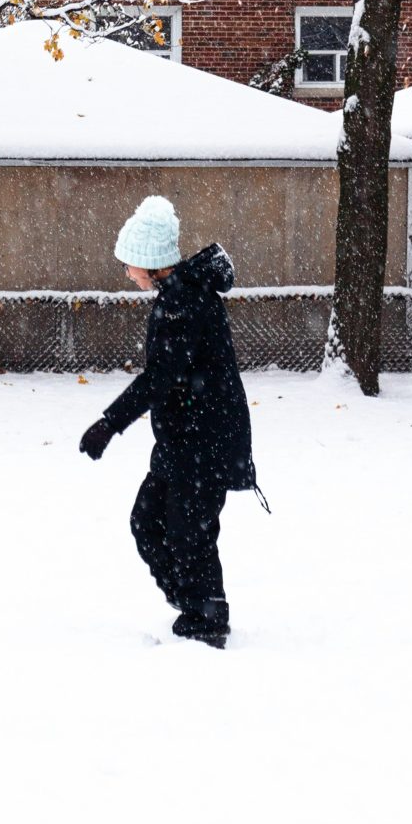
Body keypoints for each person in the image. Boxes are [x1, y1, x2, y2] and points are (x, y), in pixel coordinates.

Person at [78, 196, 255, 647]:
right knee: (147, 521)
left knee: (189, 535)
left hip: (205, 443)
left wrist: (109, 423)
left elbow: (160, 378)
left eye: (130, 264)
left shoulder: (186, 304)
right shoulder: (175, 296)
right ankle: (190, 601)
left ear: (150, 263)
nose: (126, 273)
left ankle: (207, 618)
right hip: (183, 442)